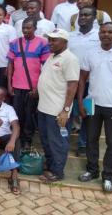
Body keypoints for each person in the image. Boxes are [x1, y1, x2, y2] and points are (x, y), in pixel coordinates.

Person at [78, 22, 112, 193]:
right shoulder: (91, 53)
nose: (106, 34)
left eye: (110, 32)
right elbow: (82, 79)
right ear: (99, 33)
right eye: (103, 31)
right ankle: (92, 170)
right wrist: (81, 102)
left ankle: (108, 176)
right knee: (91, 139)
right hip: (92, 103)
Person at [37, 29, 79, 183]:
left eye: (55, 40)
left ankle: (57, 172)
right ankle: (50, 167)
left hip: (57, 111)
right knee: (46, 140)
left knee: (58, 142)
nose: (51, 43)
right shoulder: (51, 56)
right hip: (43, 108)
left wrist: (66, 111)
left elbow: (72, 85)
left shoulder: (70, 59)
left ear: (65, 41)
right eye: (50, 39)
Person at [7, 17, 50, 149]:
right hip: (17, 85)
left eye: (29, 27)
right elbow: (10, 64)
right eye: (24, 28)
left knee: (30, 115)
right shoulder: (15, 42)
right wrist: (9, 84)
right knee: (17, 114)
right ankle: (17, 139)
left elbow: (46, 67)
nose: (25, 30)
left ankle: (27, 140)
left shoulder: (43, 43)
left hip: (33, 87)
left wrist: (38, 88)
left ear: (35, 28)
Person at [68, 6, 101, 157]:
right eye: (81, 15)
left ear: (94, 18)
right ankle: (64, 140)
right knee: (67, 111)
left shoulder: (99, 36)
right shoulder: (71, 36)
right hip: (70, 80)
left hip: (90, 82)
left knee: (87, 113)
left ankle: (83, 144)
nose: (83, 17)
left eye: (87, 15)